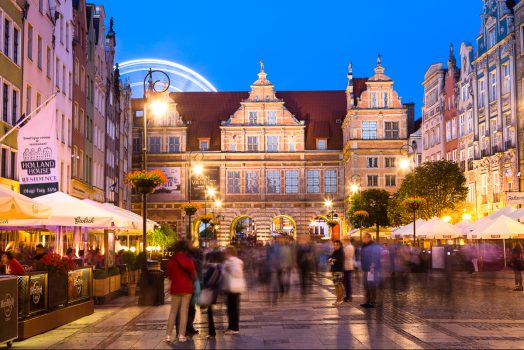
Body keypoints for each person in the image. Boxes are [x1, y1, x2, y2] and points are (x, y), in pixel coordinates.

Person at [165, 241, 196, 343]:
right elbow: (194, 275)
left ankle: (168, 336)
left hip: (175, 288)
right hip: (187, 288)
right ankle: (181, 335)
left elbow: (169, 275)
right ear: (185, 249)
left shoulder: (172, 260)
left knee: (173, 312)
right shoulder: (188, 260)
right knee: (184, 312)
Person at [223, 245, 246, 335]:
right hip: (232, 287)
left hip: (233, 288)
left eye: (226, 252)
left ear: (229, 253)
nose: (224, 254)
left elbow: (238, 273)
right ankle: (231, 327)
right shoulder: (233, 261)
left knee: (233, 309)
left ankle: (234, 328)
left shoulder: (234, 261)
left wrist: (229, 269)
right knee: (231, 309)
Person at [202, 251, 224, 339]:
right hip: (216, 290)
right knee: (210, 311)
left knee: (209, 312)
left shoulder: (211, 267)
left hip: (210, 291)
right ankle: (212, 332)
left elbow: (206, 280)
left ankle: (211, 332)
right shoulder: (220, 267)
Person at [360, 233, 382, 308]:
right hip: (365, 268)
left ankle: (372, 302)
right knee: (366, 285)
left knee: (371, 285)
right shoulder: (364, 246)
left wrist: (372, 266)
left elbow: (375, 256)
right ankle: (367, 301)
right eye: (364, 237)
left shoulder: (373, 246)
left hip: (371, 269)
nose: (365, 239)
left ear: (370, 238)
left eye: (366, 237)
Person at [329, 240, 345, 306]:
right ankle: (337, 300)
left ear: (340, 245)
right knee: (336, 285)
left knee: (339, 285)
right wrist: (332, 260)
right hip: (334, 270)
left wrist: (333, 260)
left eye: (337, 245)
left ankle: (340, 300)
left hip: (338, 270)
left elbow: (339, 260)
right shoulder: (335, 252)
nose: (335, 246)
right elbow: (331, 259)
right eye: (334, 245)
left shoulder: (341, 252)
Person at [343, 237, 355, 302]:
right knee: (347, 282)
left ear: (346, 240)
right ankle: (348, 296)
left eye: (344, 240)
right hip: (348, 265)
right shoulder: (350, 246)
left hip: (347, 265)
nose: (343, 241)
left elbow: (345, 256)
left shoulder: (348, 247)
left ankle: (348, 296)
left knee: (347, 282)